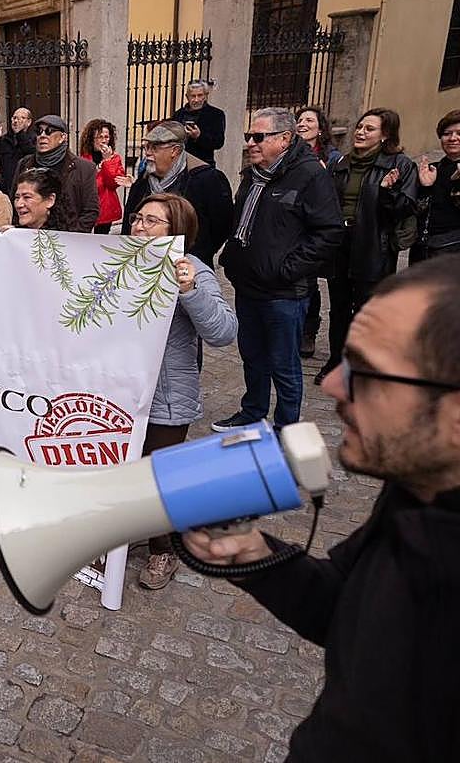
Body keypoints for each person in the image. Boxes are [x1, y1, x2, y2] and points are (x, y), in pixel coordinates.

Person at [182, 255, 460, 762]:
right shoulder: (417, 486)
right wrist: (254, 556)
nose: (332, 385)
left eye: (367, 373)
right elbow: (350, 611)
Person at [128, 193, 237, 589]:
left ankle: (164, 550)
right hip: (123, 389)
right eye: (137, 218)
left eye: (151, 221)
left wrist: (190, 290)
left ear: (175, 230)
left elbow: (223, 331)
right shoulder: (121, 261)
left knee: (159, 476)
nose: (139, 227)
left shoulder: (192, 270)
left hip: (166, 394)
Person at [215, 108, 342, 432]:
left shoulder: (310, 175)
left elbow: (328, 232)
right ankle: (252, 412)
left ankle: (286, 430)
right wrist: (233, 260)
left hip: (284, 293)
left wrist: (287, 269)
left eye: (259, 137)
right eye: (249, 136)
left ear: (285, 139)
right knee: (253, 357)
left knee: (284, 366)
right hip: (248, 285)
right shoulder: (253, 174)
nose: (251, 143)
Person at [318, 109, 419, 385]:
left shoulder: (400, 165)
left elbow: (406, 208)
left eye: (369, 129)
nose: (360, 132)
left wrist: (388, 191)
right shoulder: (342, 163)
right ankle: (336, 360)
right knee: (339, 308)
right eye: (360, 127)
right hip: (342, 243)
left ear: (385, 135)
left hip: (374, 244)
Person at [122, 121, 233, 266]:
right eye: (147, 147)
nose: (148, 153)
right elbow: (128, 224)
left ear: (175, 151)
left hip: (188, 266)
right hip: (145, 263)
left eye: (154, 147)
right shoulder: (142, 183)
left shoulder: (207, 180)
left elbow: (222, 227)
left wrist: (198, 254)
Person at [294, 106, 342, 358]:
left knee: (309, 281)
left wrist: (324, 176)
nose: (302, 124)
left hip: (314, 224)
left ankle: (309, 331)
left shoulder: (332, 158)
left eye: (309, 120)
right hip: (294, 223)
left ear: (320, 129)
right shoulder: (290, 153)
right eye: (300, 120)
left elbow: (336, 194)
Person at [12, 115, 99, 232]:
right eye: (39, 131)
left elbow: (90, 211)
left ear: (63, 137)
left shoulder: (84, 168)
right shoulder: (24, 164)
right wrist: (19, 231)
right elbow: (15, 200)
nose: (43, 135)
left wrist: (72, 236)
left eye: (49, 131)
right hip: (30, 236)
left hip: (68, 236)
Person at [412, 109, 460, 260]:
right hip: (424, 247)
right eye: (447, 133)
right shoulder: (432, 169)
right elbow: (417, 210)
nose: (453, 138)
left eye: (459, 133)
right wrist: (426, 187)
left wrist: (457, 186)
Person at [77, 119, 129, 234]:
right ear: (91, 139)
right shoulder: (83, 159)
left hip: (106, 208)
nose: (104, 141)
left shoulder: (114, 158)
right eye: (100, 137)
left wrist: (107, 161)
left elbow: (113, 183)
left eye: (106, 137)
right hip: (87, 207)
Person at [172, 79, 226, 167]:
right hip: (179, 164)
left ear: (205, 96)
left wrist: (198, 136)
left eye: (200, 95)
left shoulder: (216, 114)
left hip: (203, 164)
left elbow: (218, 142)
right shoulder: (178, 114)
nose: (196, 100)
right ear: (187, 97)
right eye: (193, 96)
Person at [10, 168, 80, 231]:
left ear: (50, 200)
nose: (19, 205)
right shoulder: (12, 235)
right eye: (17, 198)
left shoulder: (71, 238)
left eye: (27, 197)